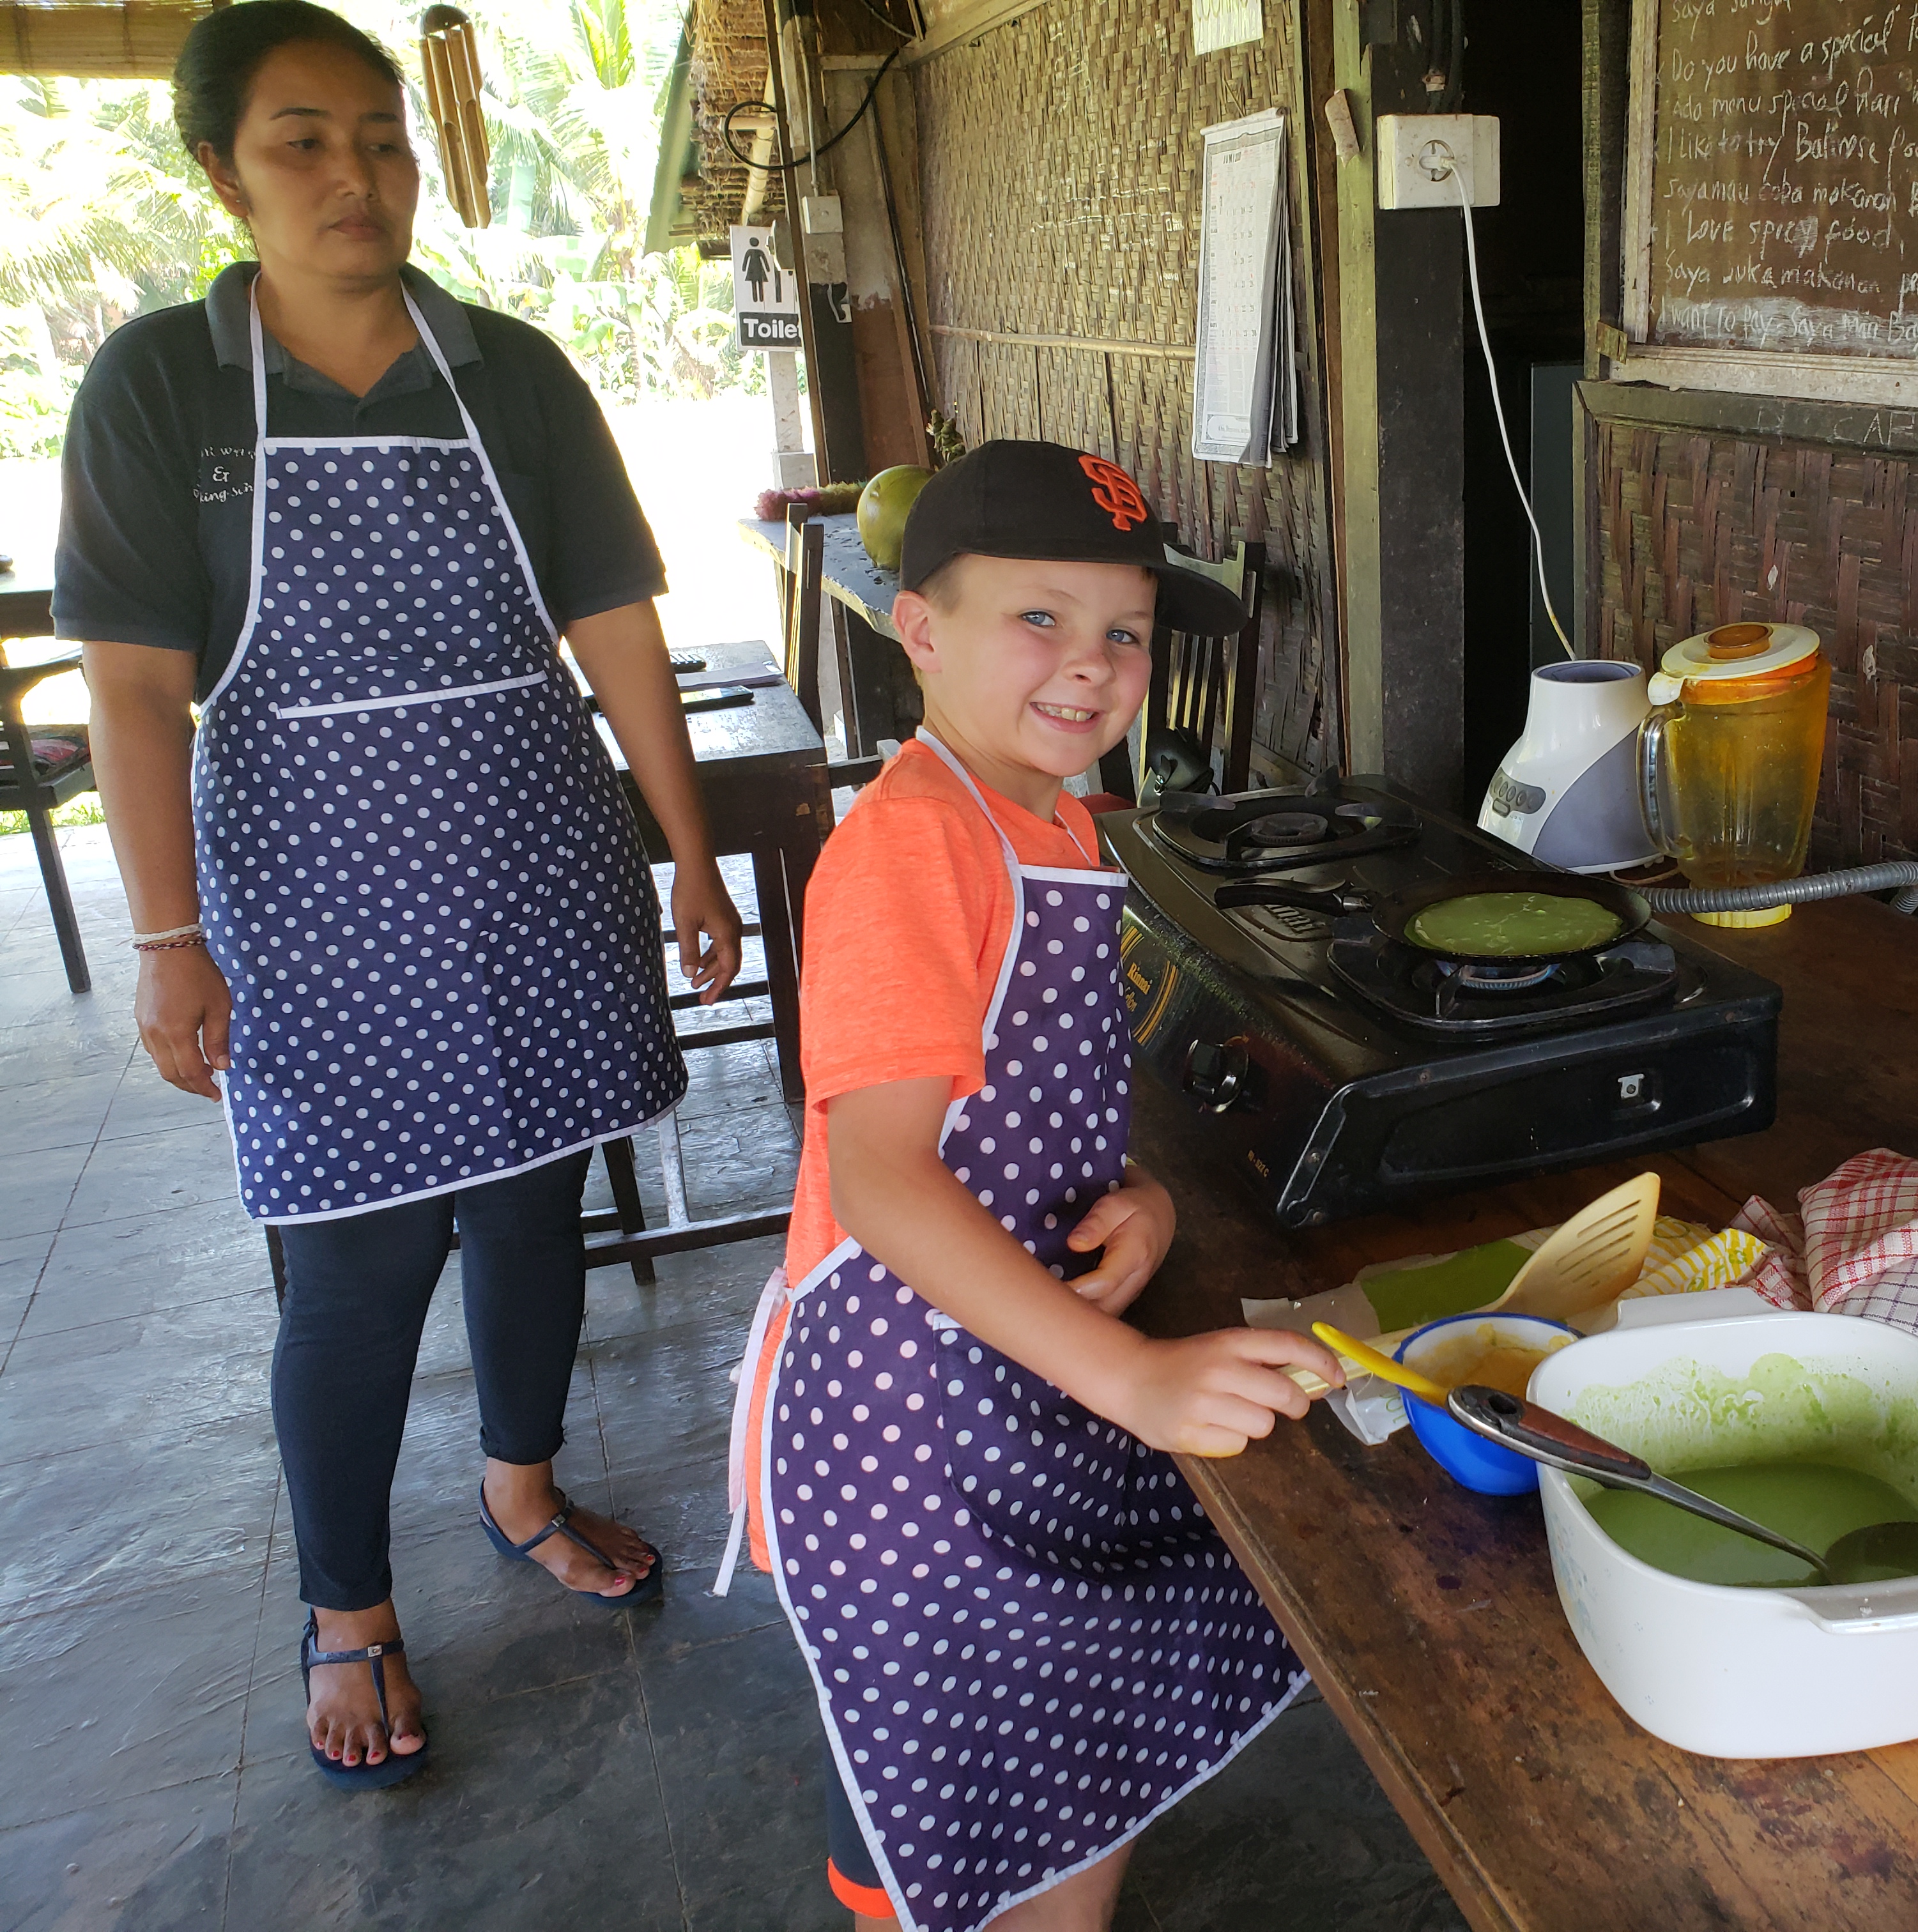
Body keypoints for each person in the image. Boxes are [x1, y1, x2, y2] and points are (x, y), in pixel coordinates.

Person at [55, 1, 742, 1789]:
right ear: (221, 171)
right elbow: (134, 689)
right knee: (356, 1271)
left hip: (530, 855)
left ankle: (523, 1485)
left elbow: (614, 627)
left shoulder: (507, 369)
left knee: (531, 1213)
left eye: (382, 137)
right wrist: (165, 938)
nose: (354, 174)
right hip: (309, 894)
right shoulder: (164, 384)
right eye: (303, 140)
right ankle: (348, 1605)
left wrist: (685, 852)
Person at [717, 439, 1342, 1931]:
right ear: (918, 628)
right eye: (1039, 619)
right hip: (908, 1435)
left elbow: (1013, 1089)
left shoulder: (1055, 817)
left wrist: (1146, 1192)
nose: (1092, 665)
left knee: (1080, 1728)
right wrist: (1135, 1382)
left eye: (1124, 629)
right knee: (951, 1792)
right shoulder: (914, 845)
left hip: (1015, 1371)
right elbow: (881, 1181)